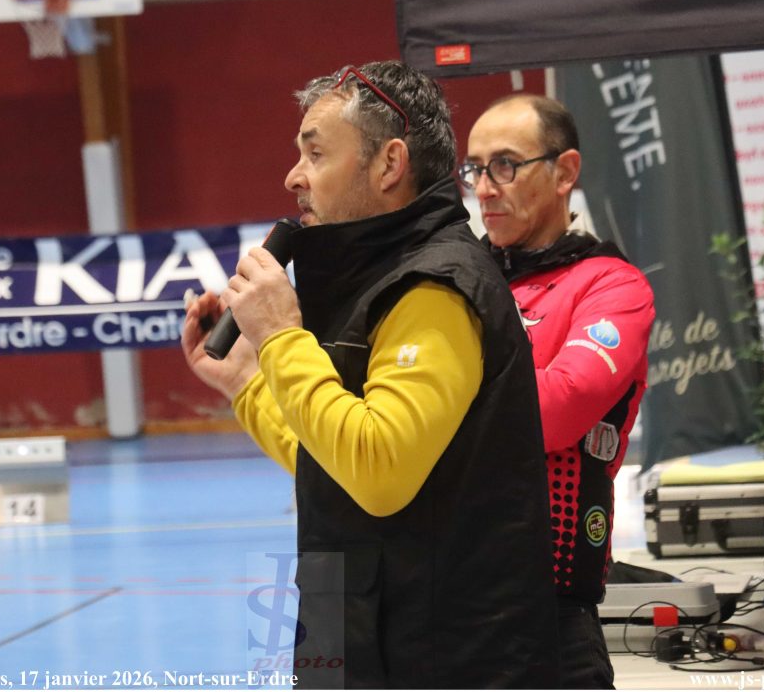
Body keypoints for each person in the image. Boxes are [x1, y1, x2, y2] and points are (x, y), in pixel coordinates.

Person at [182, 61, 558, 688]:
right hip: (358, 636)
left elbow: (379, 470)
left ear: (389, 164)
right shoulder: (369, 283)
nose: (293, 176)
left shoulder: (435, 287)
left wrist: (281, 337)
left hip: (440, 658)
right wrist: (247, 381)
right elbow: (334, 465)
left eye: (315, 153)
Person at [463, 94, 656, 689]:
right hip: (445, 599)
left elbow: (552, 413)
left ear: (564, 171)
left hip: (550, 609)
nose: (484, 188)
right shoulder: (460, 277)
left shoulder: (611, 285)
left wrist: (438, 396)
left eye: (505, 165)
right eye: (474, 168)